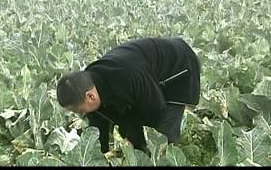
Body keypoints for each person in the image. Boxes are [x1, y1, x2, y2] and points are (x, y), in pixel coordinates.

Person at [56, 37, 200, 156]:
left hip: (178, 67)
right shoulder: (92, 84)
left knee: (162, 138)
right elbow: (100, 128)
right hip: (148, 78)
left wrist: (133, 140)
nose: (82, 114)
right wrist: (99, 157)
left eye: (80, 110)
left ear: (90, 96)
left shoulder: (127, 76)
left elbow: (156, 110)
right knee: (137, 140)